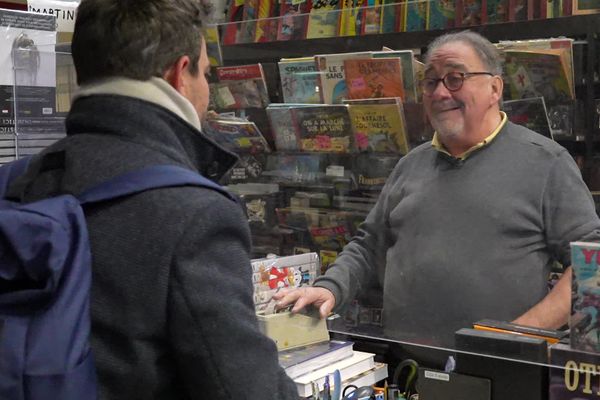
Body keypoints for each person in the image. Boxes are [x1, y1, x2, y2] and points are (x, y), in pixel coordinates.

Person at [5, 1, 298, 399]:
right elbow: (244, 389)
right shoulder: (194, 213)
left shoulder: (13, 183)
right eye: (206, 73)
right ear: (179, 74)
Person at [274, 30, 600, 349]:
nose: (441, 93)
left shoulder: (545, 163)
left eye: (455, 78)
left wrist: (520, 335)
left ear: (494, 88)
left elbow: (592, 263)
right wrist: (330, 288)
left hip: (501, 375)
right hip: (408, 368)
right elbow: (369, 244)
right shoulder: (411, 165)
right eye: (431, 81)